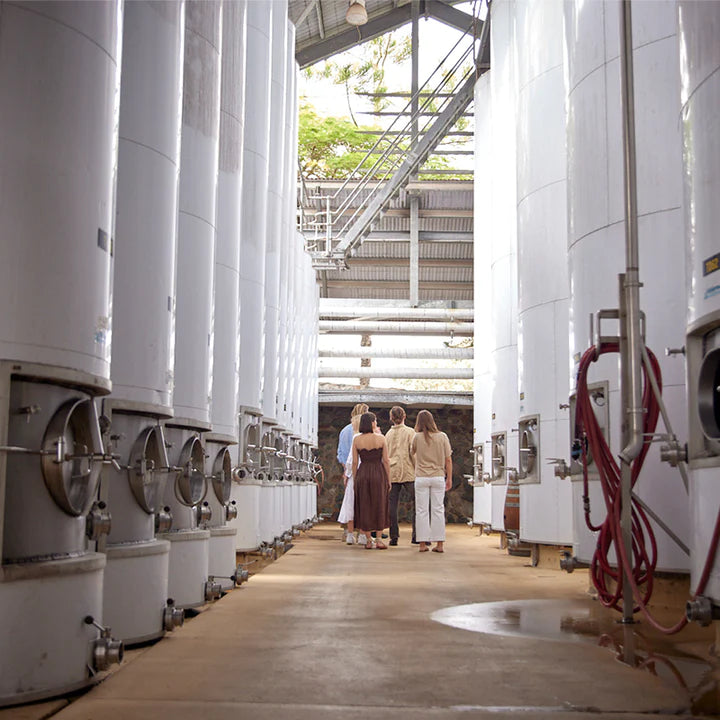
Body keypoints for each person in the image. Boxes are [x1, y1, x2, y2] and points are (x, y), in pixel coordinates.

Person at [410, 410, 452, 553]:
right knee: (438, 510)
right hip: (438, 476)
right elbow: (448, 459)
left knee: (421, 511)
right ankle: (439, 544)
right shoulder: (442, 437)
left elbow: (412, 453)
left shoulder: (417, 437)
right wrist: (449, 477)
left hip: (421, 477)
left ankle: (422, 544)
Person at [352, 412, 391, 549]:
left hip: (363, 473)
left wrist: (355, 478)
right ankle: (379, 539)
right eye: (375, 421)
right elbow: (386, 460)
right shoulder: (381, 439)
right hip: (378, 473)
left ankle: (369, 540)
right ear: (372, 423)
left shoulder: (356, 440)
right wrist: (389, 479)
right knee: (379, 504)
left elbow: (355, 462)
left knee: (365, 505)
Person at [385, 406, 417, 546]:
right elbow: (413, 453)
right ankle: (417, 535)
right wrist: (418, 470)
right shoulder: (411, 432)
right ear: (404, 416)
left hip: (392, 472)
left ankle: (394, 536)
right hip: (409, 471)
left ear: (391, 418)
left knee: (392, 505)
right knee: (418, 503)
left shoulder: (387, 435)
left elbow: (385, 456)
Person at [336, 403, 368, 544]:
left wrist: (346, 470)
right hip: (365, 469)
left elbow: (341, 453)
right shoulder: (367, 431)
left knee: (349, 501)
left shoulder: (345, 430)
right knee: (364, 502)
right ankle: (362, 533)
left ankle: (347, 532)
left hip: (349, 470)